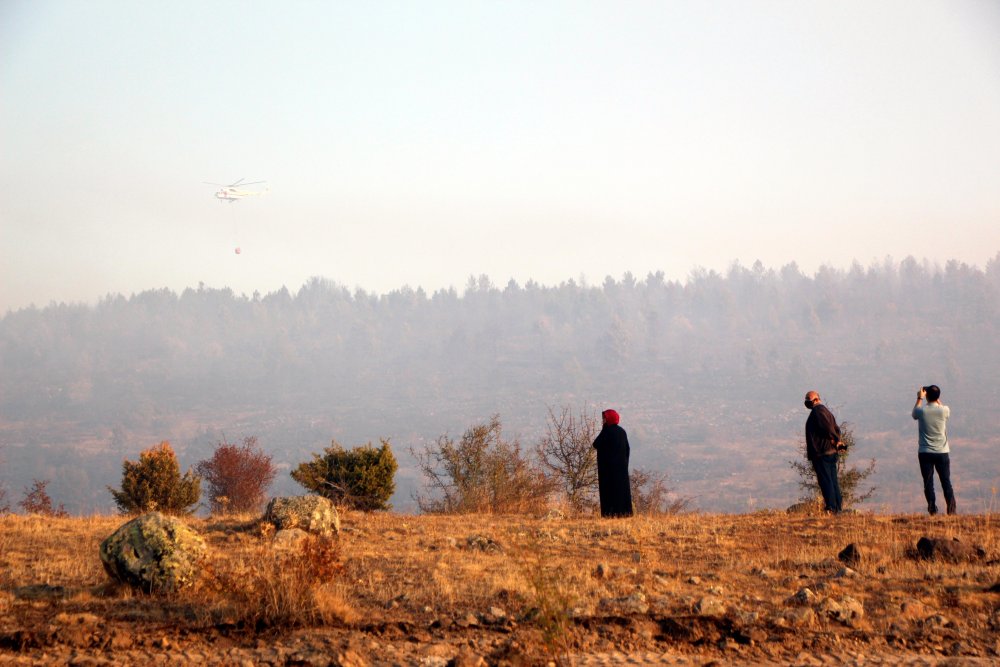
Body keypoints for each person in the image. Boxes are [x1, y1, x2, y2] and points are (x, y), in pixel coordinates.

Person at [912, 384, 955, 515]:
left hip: (925, 453)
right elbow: (941, 406)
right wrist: (936, 398)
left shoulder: (921, 411)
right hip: (942, 452)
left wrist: (920, 398)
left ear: (927, 396)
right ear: (938, 396)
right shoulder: (944, 410)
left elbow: (914, 414)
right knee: (946, 482)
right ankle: (951, 511)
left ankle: (932, 510)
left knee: (928, 483)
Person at [803, 391, 845, 513]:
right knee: (832, 480)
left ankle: (831, 507)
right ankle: (837, 508)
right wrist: (837, 441)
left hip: (822, 453)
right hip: (830, 451)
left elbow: (828, 428)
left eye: (809, 400)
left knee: (826, 481)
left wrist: (836, 440)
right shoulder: (826, 411)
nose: (807, 402)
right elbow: (836, 429)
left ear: (816, 400)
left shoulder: (818, 411)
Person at [592, 409, 633, 517]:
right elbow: (627, 449)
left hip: (608, 470)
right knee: (621, 492)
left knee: (609, 492)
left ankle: (609, 514)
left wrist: (604, 429)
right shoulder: (622, 431)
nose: (603, 421)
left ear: (608, 419)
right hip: (621, 469)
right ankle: (624, 513)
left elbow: (596, 444)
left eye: (604, 418)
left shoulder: (607, 431)